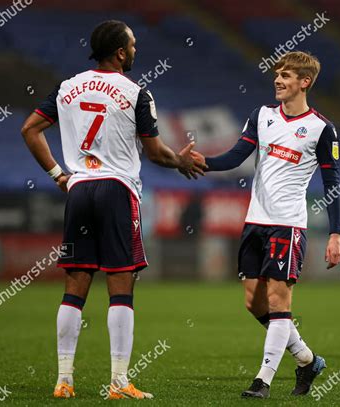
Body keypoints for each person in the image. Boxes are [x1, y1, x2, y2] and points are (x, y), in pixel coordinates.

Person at [21, 20, 206, 400]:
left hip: (79, 189)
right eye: (133, 45)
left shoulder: (66, 86)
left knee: (75, 287)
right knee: (121, 285)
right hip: (117, 190)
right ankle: (119, 382)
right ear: (121, 52)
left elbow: (29, 130)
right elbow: (155, 153)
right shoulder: (136, 92)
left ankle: (64, 381)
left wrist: (59, 175)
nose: (136, 50)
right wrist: (181, 162)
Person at [192, 51, 340, 399]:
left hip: (287, 225)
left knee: (279, 300)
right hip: (254, 223)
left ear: (304, 82)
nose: (278, 80)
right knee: (253, 302)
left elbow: (332, 184)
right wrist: (204, 163)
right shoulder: (261, 116)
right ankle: (307, 359)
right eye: (277, 74)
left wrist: (336, 233)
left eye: (287, 75)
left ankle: (262, 381)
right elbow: (235, 156)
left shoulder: (322, 129)